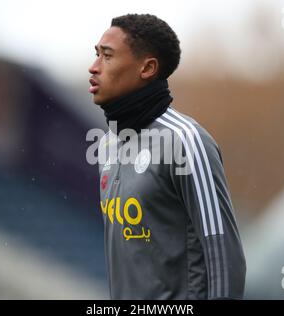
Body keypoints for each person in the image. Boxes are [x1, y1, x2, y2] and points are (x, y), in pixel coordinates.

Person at [88, 13, 246, 299]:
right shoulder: (107, 145)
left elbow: (224, 255)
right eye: (96, 54)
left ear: (147, 68)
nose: (94, 67)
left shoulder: (187, 140)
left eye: (107, 56)